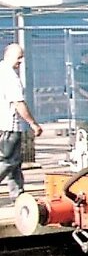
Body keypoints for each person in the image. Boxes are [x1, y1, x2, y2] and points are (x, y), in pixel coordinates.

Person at [0, 43, 43, 201]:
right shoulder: (10, 76)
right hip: (9, 125)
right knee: (9, 161)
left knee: (15, 163)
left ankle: (18, 195)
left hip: (3, 124)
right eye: (19, 57)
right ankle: (17, 194)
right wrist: (33, 123)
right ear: (9, 56)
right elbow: (18, 102)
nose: (21, 61)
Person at [73, 49, 88, 127]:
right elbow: (76, 86)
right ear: (85, 56)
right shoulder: (79, 69)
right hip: (81, 99)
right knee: (82, 122)